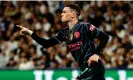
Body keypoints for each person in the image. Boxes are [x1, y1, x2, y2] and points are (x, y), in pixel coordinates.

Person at [17, 4, 109, 80]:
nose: (61, 14)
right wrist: (31, 33)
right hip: (85, 69)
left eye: (64, 12)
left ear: (73, 14)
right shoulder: (64, 33)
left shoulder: (85, 27)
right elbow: (46, 43)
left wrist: (96, 54)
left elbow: (105, 37)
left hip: (94, 68)